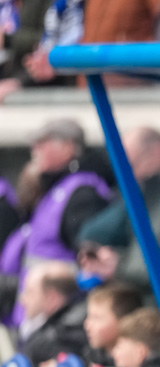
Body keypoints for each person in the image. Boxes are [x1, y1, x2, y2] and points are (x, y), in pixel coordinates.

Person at [77, 128, 160, 308]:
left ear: (157, 153)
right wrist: (113, 261)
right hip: (146, 309)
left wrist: (119, 267)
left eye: (132, 165)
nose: (130, 176)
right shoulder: (149, 195)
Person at [1, 120, 110, 327]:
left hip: (59, 317)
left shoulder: (82, 193)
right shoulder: (57, 188)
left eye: (42, 143)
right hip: (37, 311)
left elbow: (89, 260)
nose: (34, 149)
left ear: (67, 147)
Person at [17, 259, 87, 365]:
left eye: (29, 292)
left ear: (52, 298)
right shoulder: (45, 331)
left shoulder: (58, 340)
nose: (22, 300)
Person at [83, 281, 142, 367]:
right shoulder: (88, 358)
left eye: (96, 318)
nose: (87, 325)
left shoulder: (143, 363)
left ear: (124, 321)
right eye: (88, 316)